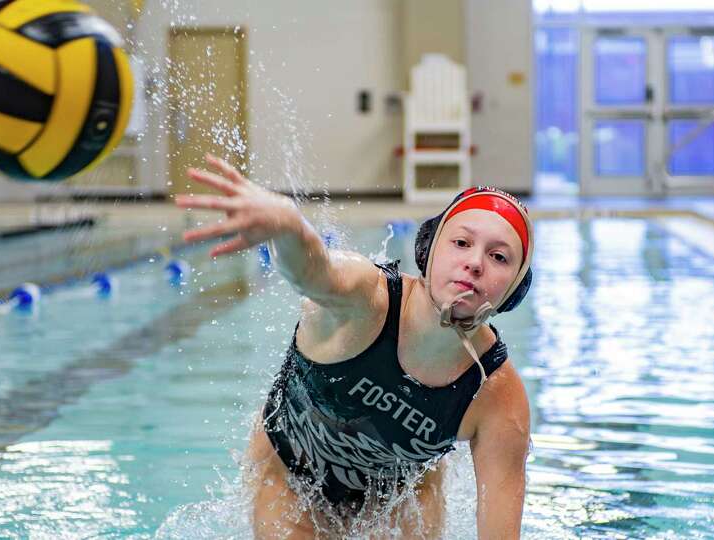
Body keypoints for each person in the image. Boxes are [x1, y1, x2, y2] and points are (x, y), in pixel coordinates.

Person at [175, 154, 533, 539]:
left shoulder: (496, 395)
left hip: (402, 498)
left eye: (498, 257)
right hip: (291, 479)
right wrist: (287, 226)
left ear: (513, 290)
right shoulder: (366, 300)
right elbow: (314, 270)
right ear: (428, 250)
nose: (475, 263)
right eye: (461, 242)